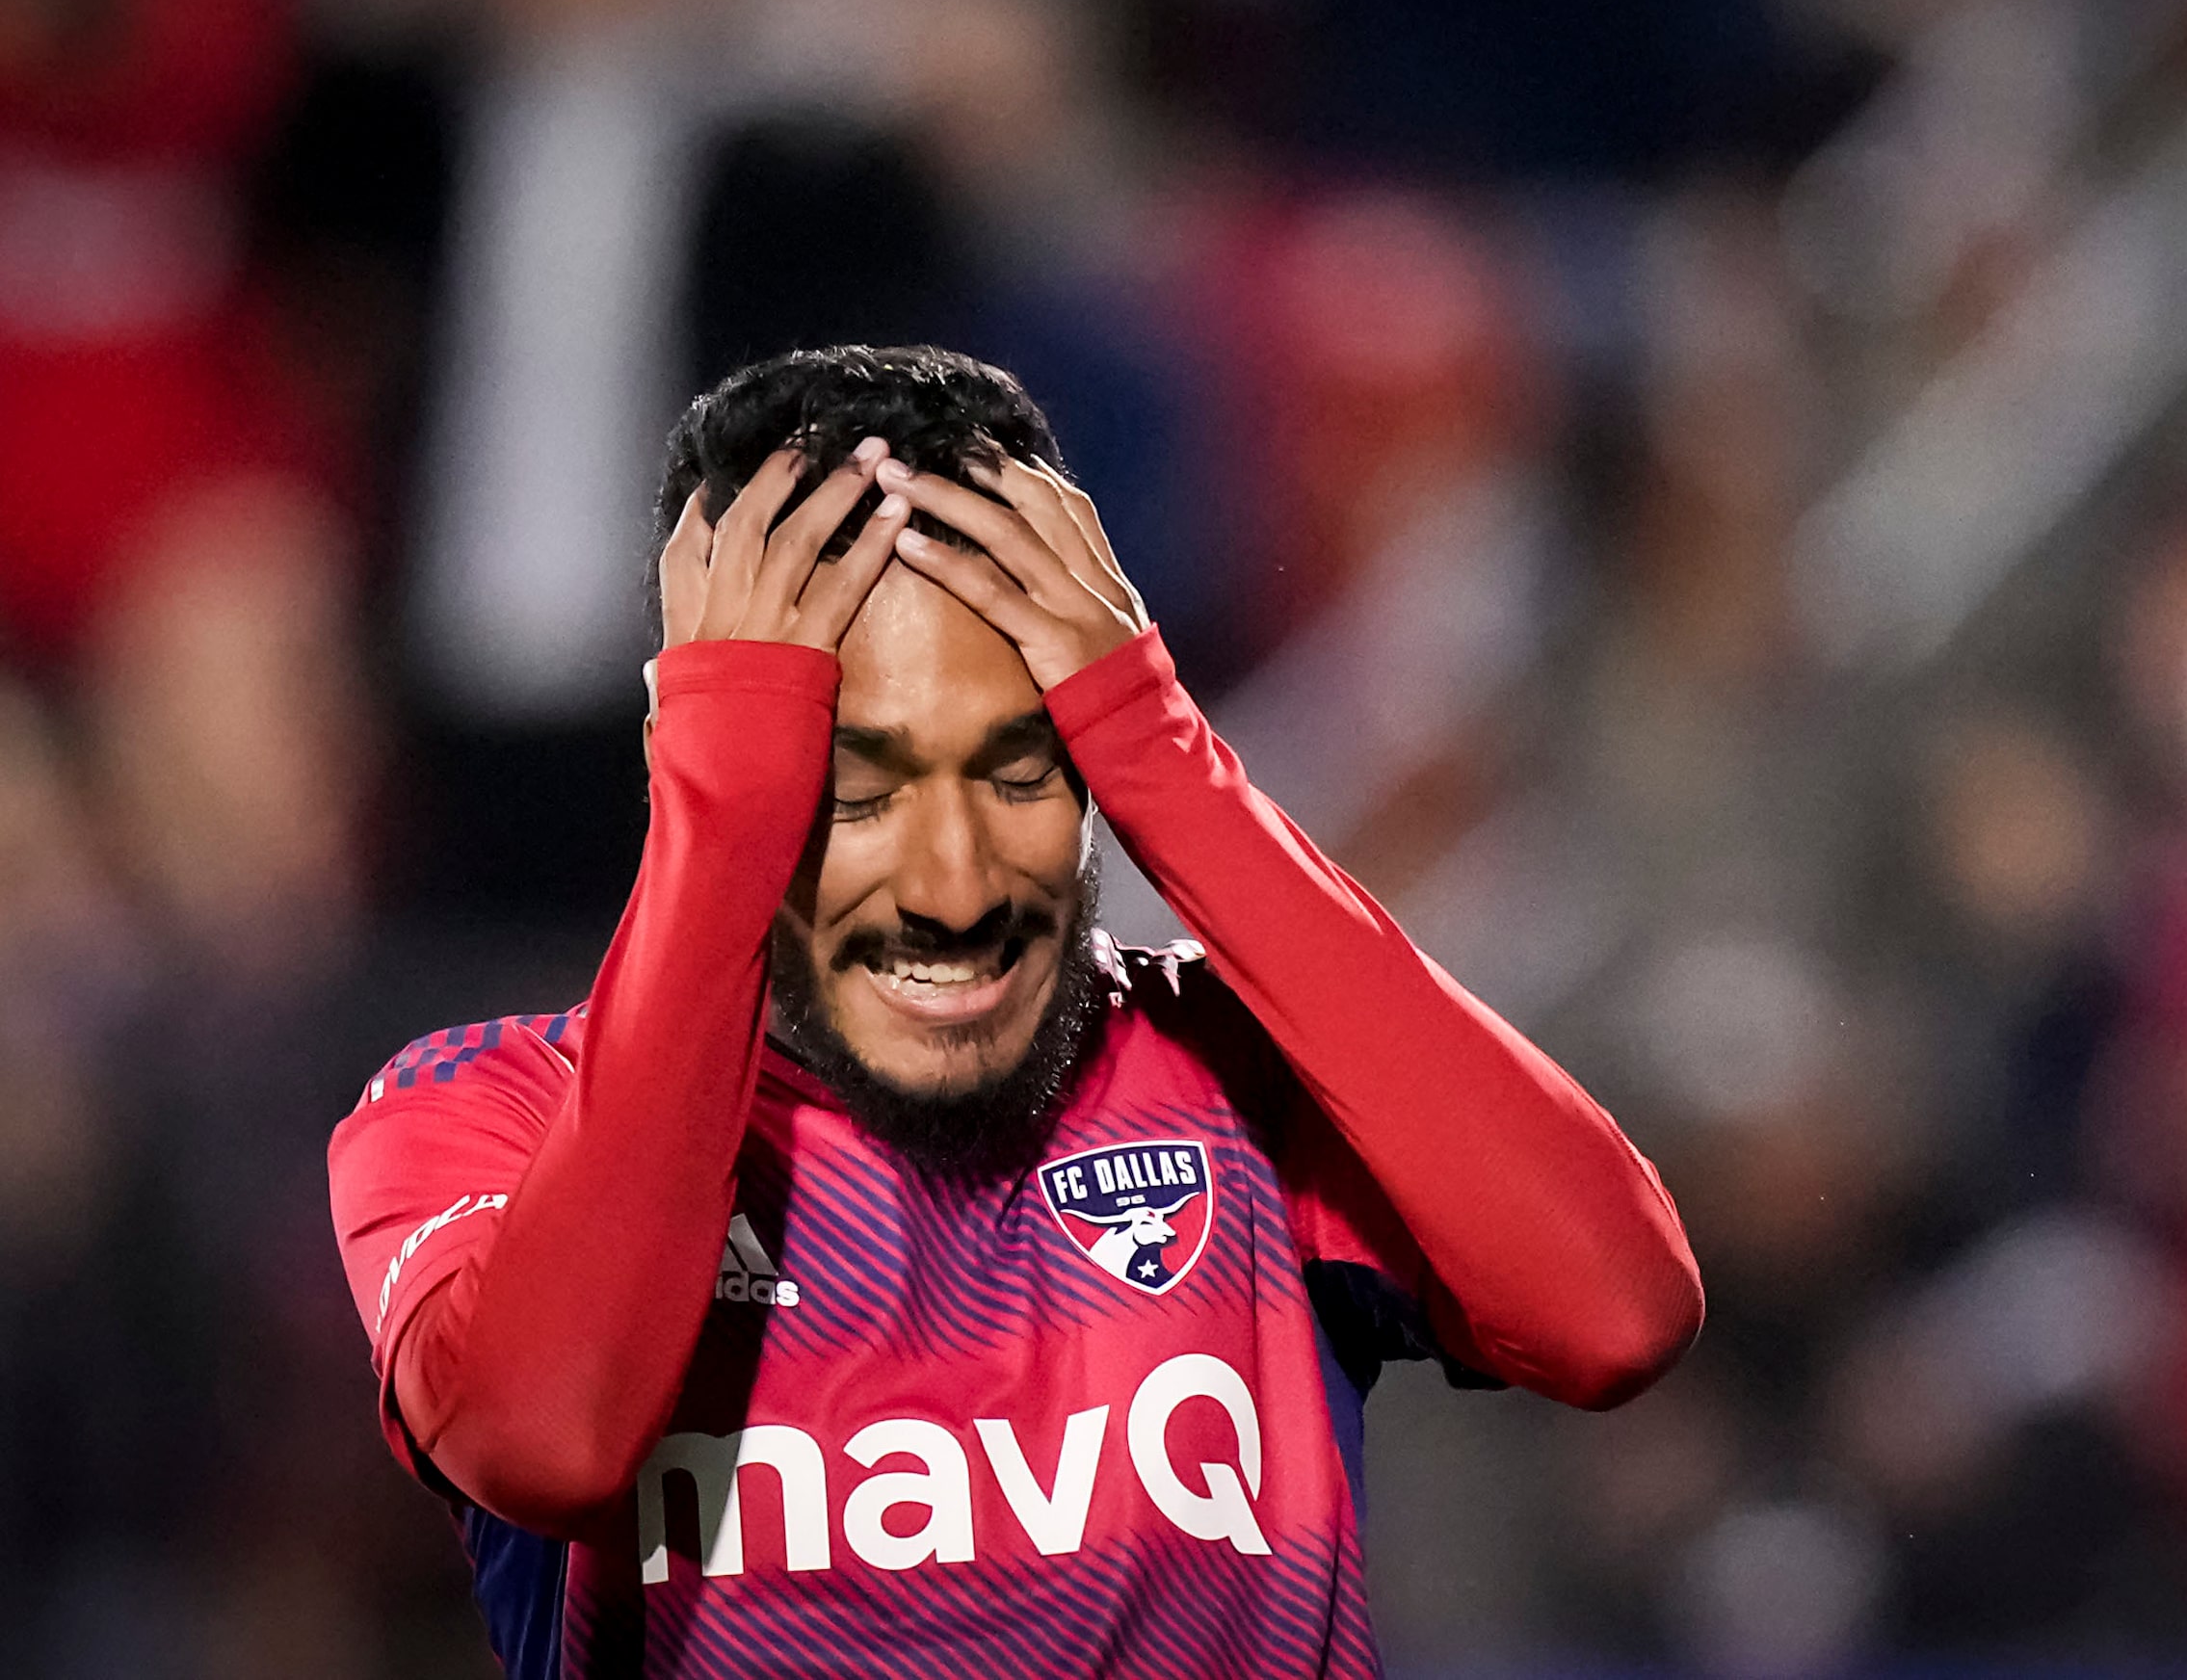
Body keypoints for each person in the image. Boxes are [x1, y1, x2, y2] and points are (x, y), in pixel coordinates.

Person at [326, 344, 1703, 1676]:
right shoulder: (482, 1111)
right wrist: (728, 804)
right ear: (700, 756)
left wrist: (1166, 758)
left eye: (1022, 770)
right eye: (855, 789)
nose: (954, 880)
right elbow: (546, 1436)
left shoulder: (1247, 1082)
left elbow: (1614, 1308)